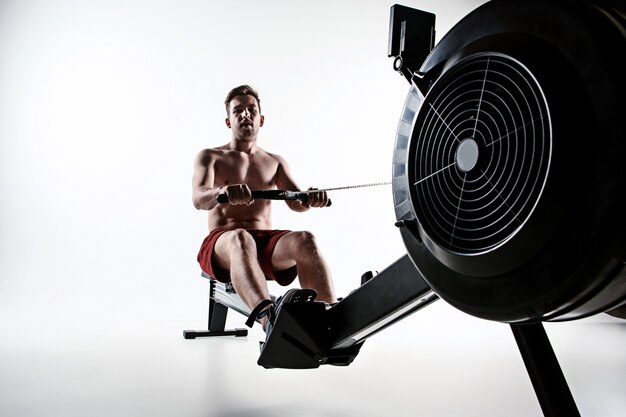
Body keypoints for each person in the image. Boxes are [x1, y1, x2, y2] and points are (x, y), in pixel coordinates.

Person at [192, 84, 337, 333]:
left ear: (261, 119)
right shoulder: (210, 157)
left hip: (264, 243)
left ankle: (330, 321)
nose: (245, 114)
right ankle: (270, 320)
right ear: (229, 121)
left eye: (251, 109)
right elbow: (198, 198)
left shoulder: (275, 162)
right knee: (241, 238)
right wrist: (221, 193)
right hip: (223, 244)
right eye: (238, 111)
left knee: (305, 239)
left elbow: (296, 202)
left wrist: (311, 198)